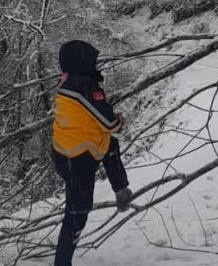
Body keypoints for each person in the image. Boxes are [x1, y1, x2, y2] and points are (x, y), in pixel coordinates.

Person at [52, 40, 133, 266]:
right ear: (83, 61)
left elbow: (91, 118)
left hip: (65, 150)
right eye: (92, 59)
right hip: (77, 158)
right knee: (77, 214)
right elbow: (109, 123)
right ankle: (62, 262)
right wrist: (119, 121)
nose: (96, 64)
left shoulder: (67, 81)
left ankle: (121, 189)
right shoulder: (84, 86)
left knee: (110, 145)